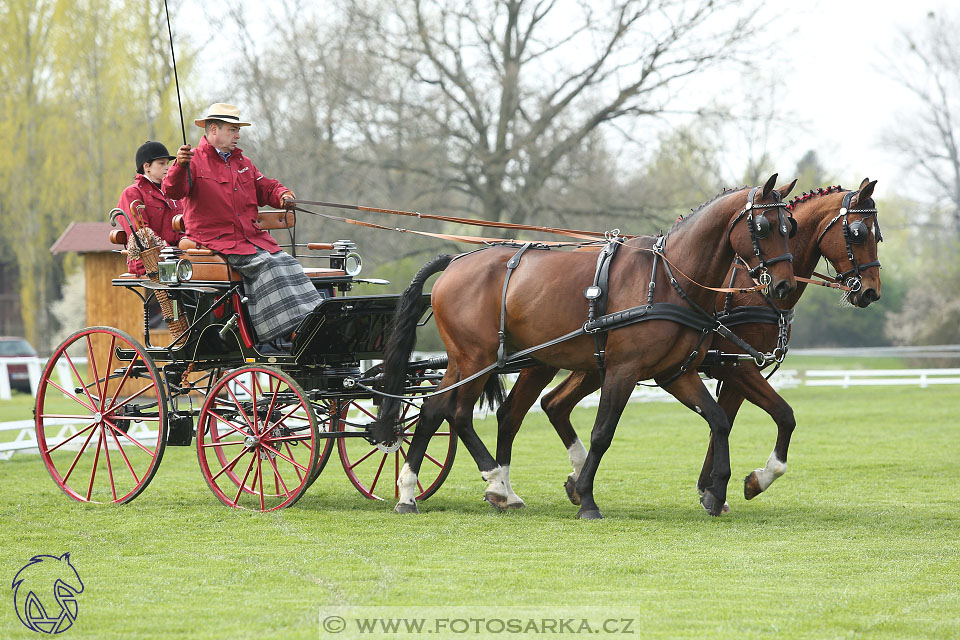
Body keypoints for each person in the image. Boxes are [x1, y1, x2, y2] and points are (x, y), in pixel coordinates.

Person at [163, 103, 321, 350]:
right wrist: (178, 166)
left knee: (287, 262)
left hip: (251, 239)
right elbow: (173, 189)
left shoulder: (243, 163)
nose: (238, 135)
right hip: (217, 241)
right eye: (233, 130)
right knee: (267, 264)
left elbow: (265, 187)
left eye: (238, 130)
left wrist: (282, 194)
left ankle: (313, 324)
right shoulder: (192, 162)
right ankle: (293, 332)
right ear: (213, 130)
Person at [116, 141, 183, 275]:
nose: (167, 168)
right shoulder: (132, 194)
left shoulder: (174, 194)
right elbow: (142, 234)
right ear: (147, 167)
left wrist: (185, 247)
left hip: (178, 259)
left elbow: (184, 228)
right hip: (149, 263)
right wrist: (171, 253)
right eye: (161, 163)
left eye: (168, 163)